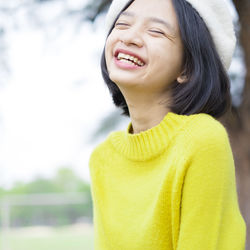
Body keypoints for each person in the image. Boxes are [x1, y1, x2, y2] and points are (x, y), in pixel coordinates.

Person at [89, 0, 247, 249]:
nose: (130, 37)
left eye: (156, 31)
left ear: (187, 68)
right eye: (123, 24)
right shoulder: (102, 158)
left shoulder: (201, 140)